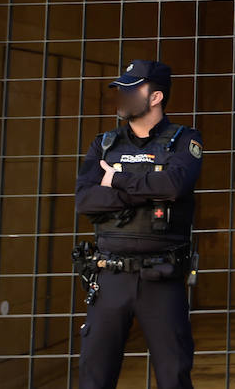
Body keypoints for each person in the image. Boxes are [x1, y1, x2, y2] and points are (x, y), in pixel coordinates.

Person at [74, 59, 203, 389]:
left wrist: (115, 179)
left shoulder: (184, 141)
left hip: (161, 276)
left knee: (173, 374)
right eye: (121, 89)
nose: (123, 95)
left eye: (132, 88)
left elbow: (173, 186)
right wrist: (145, 189)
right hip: (110, 276)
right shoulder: (104, 144)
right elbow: (85, 201)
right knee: (94, 375)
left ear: (156, 96)